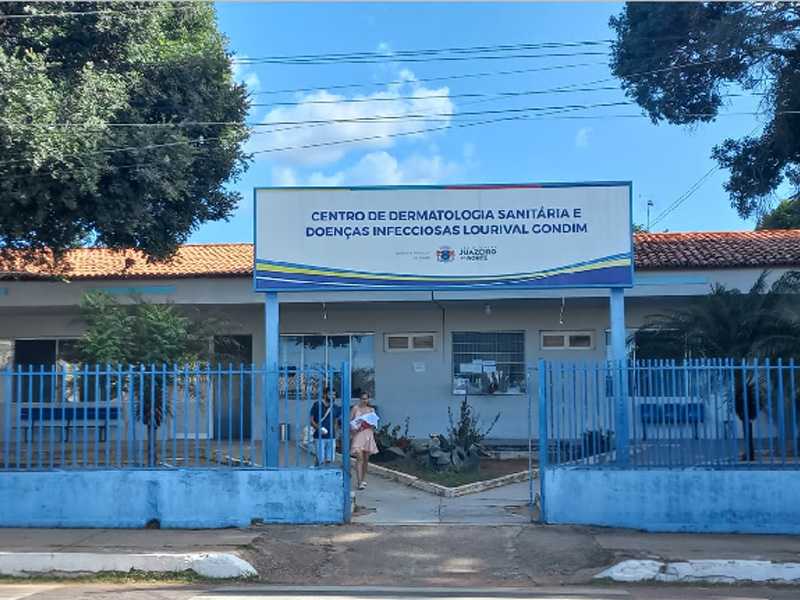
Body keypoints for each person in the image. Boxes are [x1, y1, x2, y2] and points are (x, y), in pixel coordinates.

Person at [350, 392, 378, 490]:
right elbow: (350, 421)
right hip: (358, 435)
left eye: (366, 399)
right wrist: (354, 427)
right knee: (359, 458)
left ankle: (363, 479)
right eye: (362, 399)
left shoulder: (371, 410)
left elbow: (374, 424)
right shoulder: (355, 408)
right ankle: (359, 482)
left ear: (369, 399)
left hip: (368, 434)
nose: (364, 401)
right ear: (359, 399)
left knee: (366, 459)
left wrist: (368, 424)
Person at [310, 387, 341, 467]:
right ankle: (317, 473)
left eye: (334, 395)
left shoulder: (336, 407)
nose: (333, 396)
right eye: (330, 394)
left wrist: (333, 431)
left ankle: (327, 475)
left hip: (331, 437)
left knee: (329, 459)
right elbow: (311, 420)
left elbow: (336, 421)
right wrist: (318, 429)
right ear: (325, 394)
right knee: (320, 459)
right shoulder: (317, 405)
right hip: (319, 436)